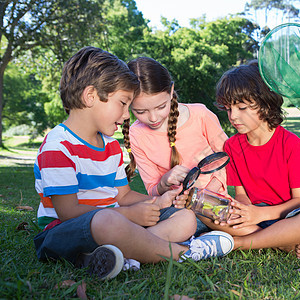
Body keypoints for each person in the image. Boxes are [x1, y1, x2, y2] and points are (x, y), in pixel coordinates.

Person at [33, 46, 234, 280]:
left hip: (115, 222)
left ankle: (123, 255)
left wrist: (158, 201)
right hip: (62, 232)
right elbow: (67, 212)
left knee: (185, 218)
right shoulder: (58, 146)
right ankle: (186, 253)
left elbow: (124, 196)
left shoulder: (110, 146)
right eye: (123, 103)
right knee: (108, 219)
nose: (127, 116)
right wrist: (129, 215)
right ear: (90, 97)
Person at [210, 60, 300, 258]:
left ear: (265, 105)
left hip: (290, 217)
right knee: (205, 206)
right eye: (228, 109)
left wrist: (259, 215)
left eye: (241, 108)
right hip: (255, 218)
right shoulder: (232, 146)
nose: (233, 116)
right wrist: (244, 210)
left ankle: (239, 243)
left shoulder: (292, 145)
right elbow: (240, 194)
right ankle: (279, 242)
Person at [122, 57, 228, 235]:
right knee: (175, 223)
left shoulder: (200, 115)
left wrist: (204, 195)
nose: (153, 118)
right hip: (176, 212)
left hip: (215, 203)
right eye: (140, 112)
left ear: (171, 91)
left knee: (211, 224)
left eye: (161, 106)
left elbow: (229, 160)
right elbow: (152, 190)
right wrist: (164, 182)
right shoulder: (136, 135)